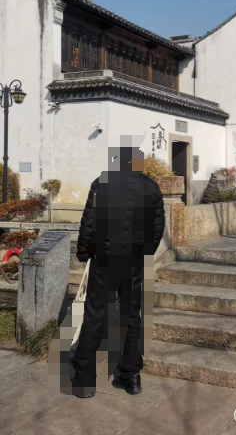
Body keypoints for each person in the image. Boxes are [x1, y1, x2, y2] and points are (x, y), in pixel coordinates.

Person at [71, 139, 165, 398]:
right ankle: (130, 376)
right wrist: (144, 253)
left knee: (95, 315)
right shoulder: (151, 187)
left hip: (103, 260)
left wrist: (83, 252)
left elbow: (88, 222)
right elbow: (157, 228)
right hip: (133, 261)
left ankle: (84, 379)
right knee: (132, 317)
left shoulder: (101, 183)